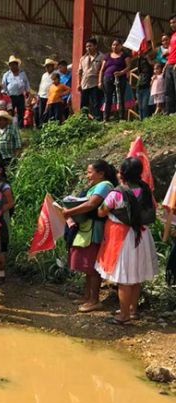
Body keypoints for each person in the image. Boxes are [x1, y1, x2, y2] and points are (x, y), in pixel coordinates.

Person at [95, 157, 158, 324]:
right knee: (136, 276)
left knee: (123, 279)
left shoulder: (117, 193)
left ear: (122, 173)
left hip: (123, 239)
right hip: (142, 236)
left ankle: (123, 316)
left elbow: (101, 212)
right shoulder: (145, 189)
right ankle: (132, 310)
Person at [62, 160, 117, 313]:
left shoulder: (105, 186)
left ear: (101, 173)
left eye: (90, 172)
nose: (88, 176)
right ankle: (87, 296)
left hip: (94, 230)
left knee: (92, 267)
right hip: (87, 229)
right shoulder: (97, 186)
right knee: (88, 266)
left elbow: (91, 204)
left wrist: (69, 212)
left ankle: (94, 300)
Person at [0, 159, 14, 286]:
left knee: (1, 245)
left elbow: (11, 203)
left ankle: (1, 273)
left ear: (0, 170)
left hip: (1, 219)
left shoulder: (4, 186)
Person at [99, 39, 131, 122]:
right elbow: (102, 70)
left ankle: (121, 118)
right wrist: (99, 81)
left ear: (120, 46)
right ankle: (106, 118)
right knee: (108, 98)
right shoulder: (107, 56)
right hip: (107, 78)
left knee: (120, 97)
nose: (115, 46)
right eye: (113, 45)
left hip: (120, 78)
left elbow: (128, 67)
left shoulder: (124, 55)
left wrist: (121, 72)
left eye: (117, 45)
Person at [78, 38, 104, 120]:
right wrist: (78, 84)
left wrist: (100, 82)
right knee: (83, 104)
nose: (88, 48)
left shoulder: (102, 57)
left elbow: (103, 70)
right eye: (86, 46)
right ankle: (83, 119)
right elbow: (79, 72)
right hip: (84, 83)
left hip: (95, 83)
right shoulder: (83, 58)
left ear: (95, 46)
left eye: (90, 46)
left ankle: (98, 119)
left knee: (96, 103)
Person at [2, 55, 30, 128]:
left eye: (14, 64)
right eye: (11, 65)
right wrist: (4, 95)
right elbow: (4, 86)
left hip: (20, 96)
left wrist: (27, 91)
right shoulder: (6, 75)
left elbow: (26, 82)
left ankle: (20, 127)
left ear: (17, 65)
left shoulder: (22, 73)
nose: (13, 66)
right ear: (9, 66)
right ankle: (9, 126)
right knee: (10, 111)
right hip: (10, 96)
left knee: (21, 112)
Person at [37, 58, 58, 127]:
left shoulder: (55, 75)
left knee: (49, 113)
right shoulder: (44, 75)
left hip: (50, 97)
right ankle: (41, 125)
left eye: (49, 66)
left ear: (52, 66)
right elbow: (41, 85)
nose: (47, 68)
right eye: (46, 66)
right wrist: (38, 95)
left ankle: (49, 126)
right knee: (41, 112)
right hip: (42, 96)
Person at [135, 49, 154, 120]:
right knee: (140, 107)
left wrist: (148, 59)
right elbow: (139, 70)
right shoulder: (141, 60)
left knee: (144, 106)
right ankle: (141, 122)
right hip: (139, 85)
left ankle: (145, 122)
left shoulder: (150, 64)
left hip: (147, 86)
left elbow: (154, 64)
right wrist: (139, 58)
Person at [165, 14, 176, 114]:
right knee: (169, 90)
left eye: (174, 22)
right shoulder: (172, 36)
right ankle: (170, 113)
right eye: (171, 23)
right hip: (169, 65)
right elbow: (172, 50)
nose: (172, 25)